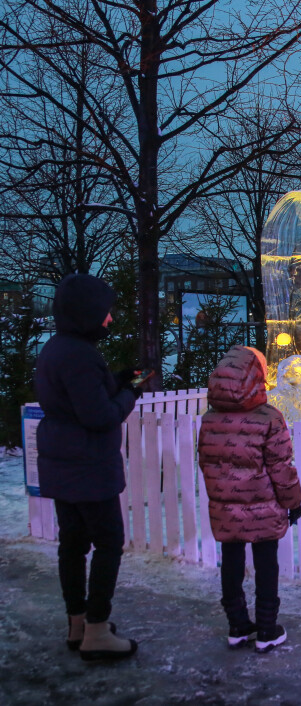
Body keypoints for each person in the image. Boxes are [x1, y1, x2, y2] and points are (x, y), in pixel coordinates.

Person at [35, 273, 144, 661]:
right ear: (87, 313)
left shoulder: (57, 349)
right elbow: (98, 415)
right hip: (87, 467)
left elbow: (75, 399)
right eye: (105, 312)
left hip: (63, 463)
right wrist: (129, 396)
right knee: (108, 543)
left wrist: (114, 379)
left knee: (73, 544)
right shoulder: (80, 354)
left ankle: (77, 623)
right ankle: (97, 630)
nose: (110, 319)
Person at [197, 346, 301, 653]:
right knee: (266, 564)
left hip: (225, 506)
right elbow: (281, 467)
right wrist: (292, 502)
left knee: (231, 561)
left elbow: (206, 462)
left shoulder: (210, 419)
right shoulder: (268, 418)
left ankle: (237, 626)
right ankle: (267, 629)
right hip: (263, 507)